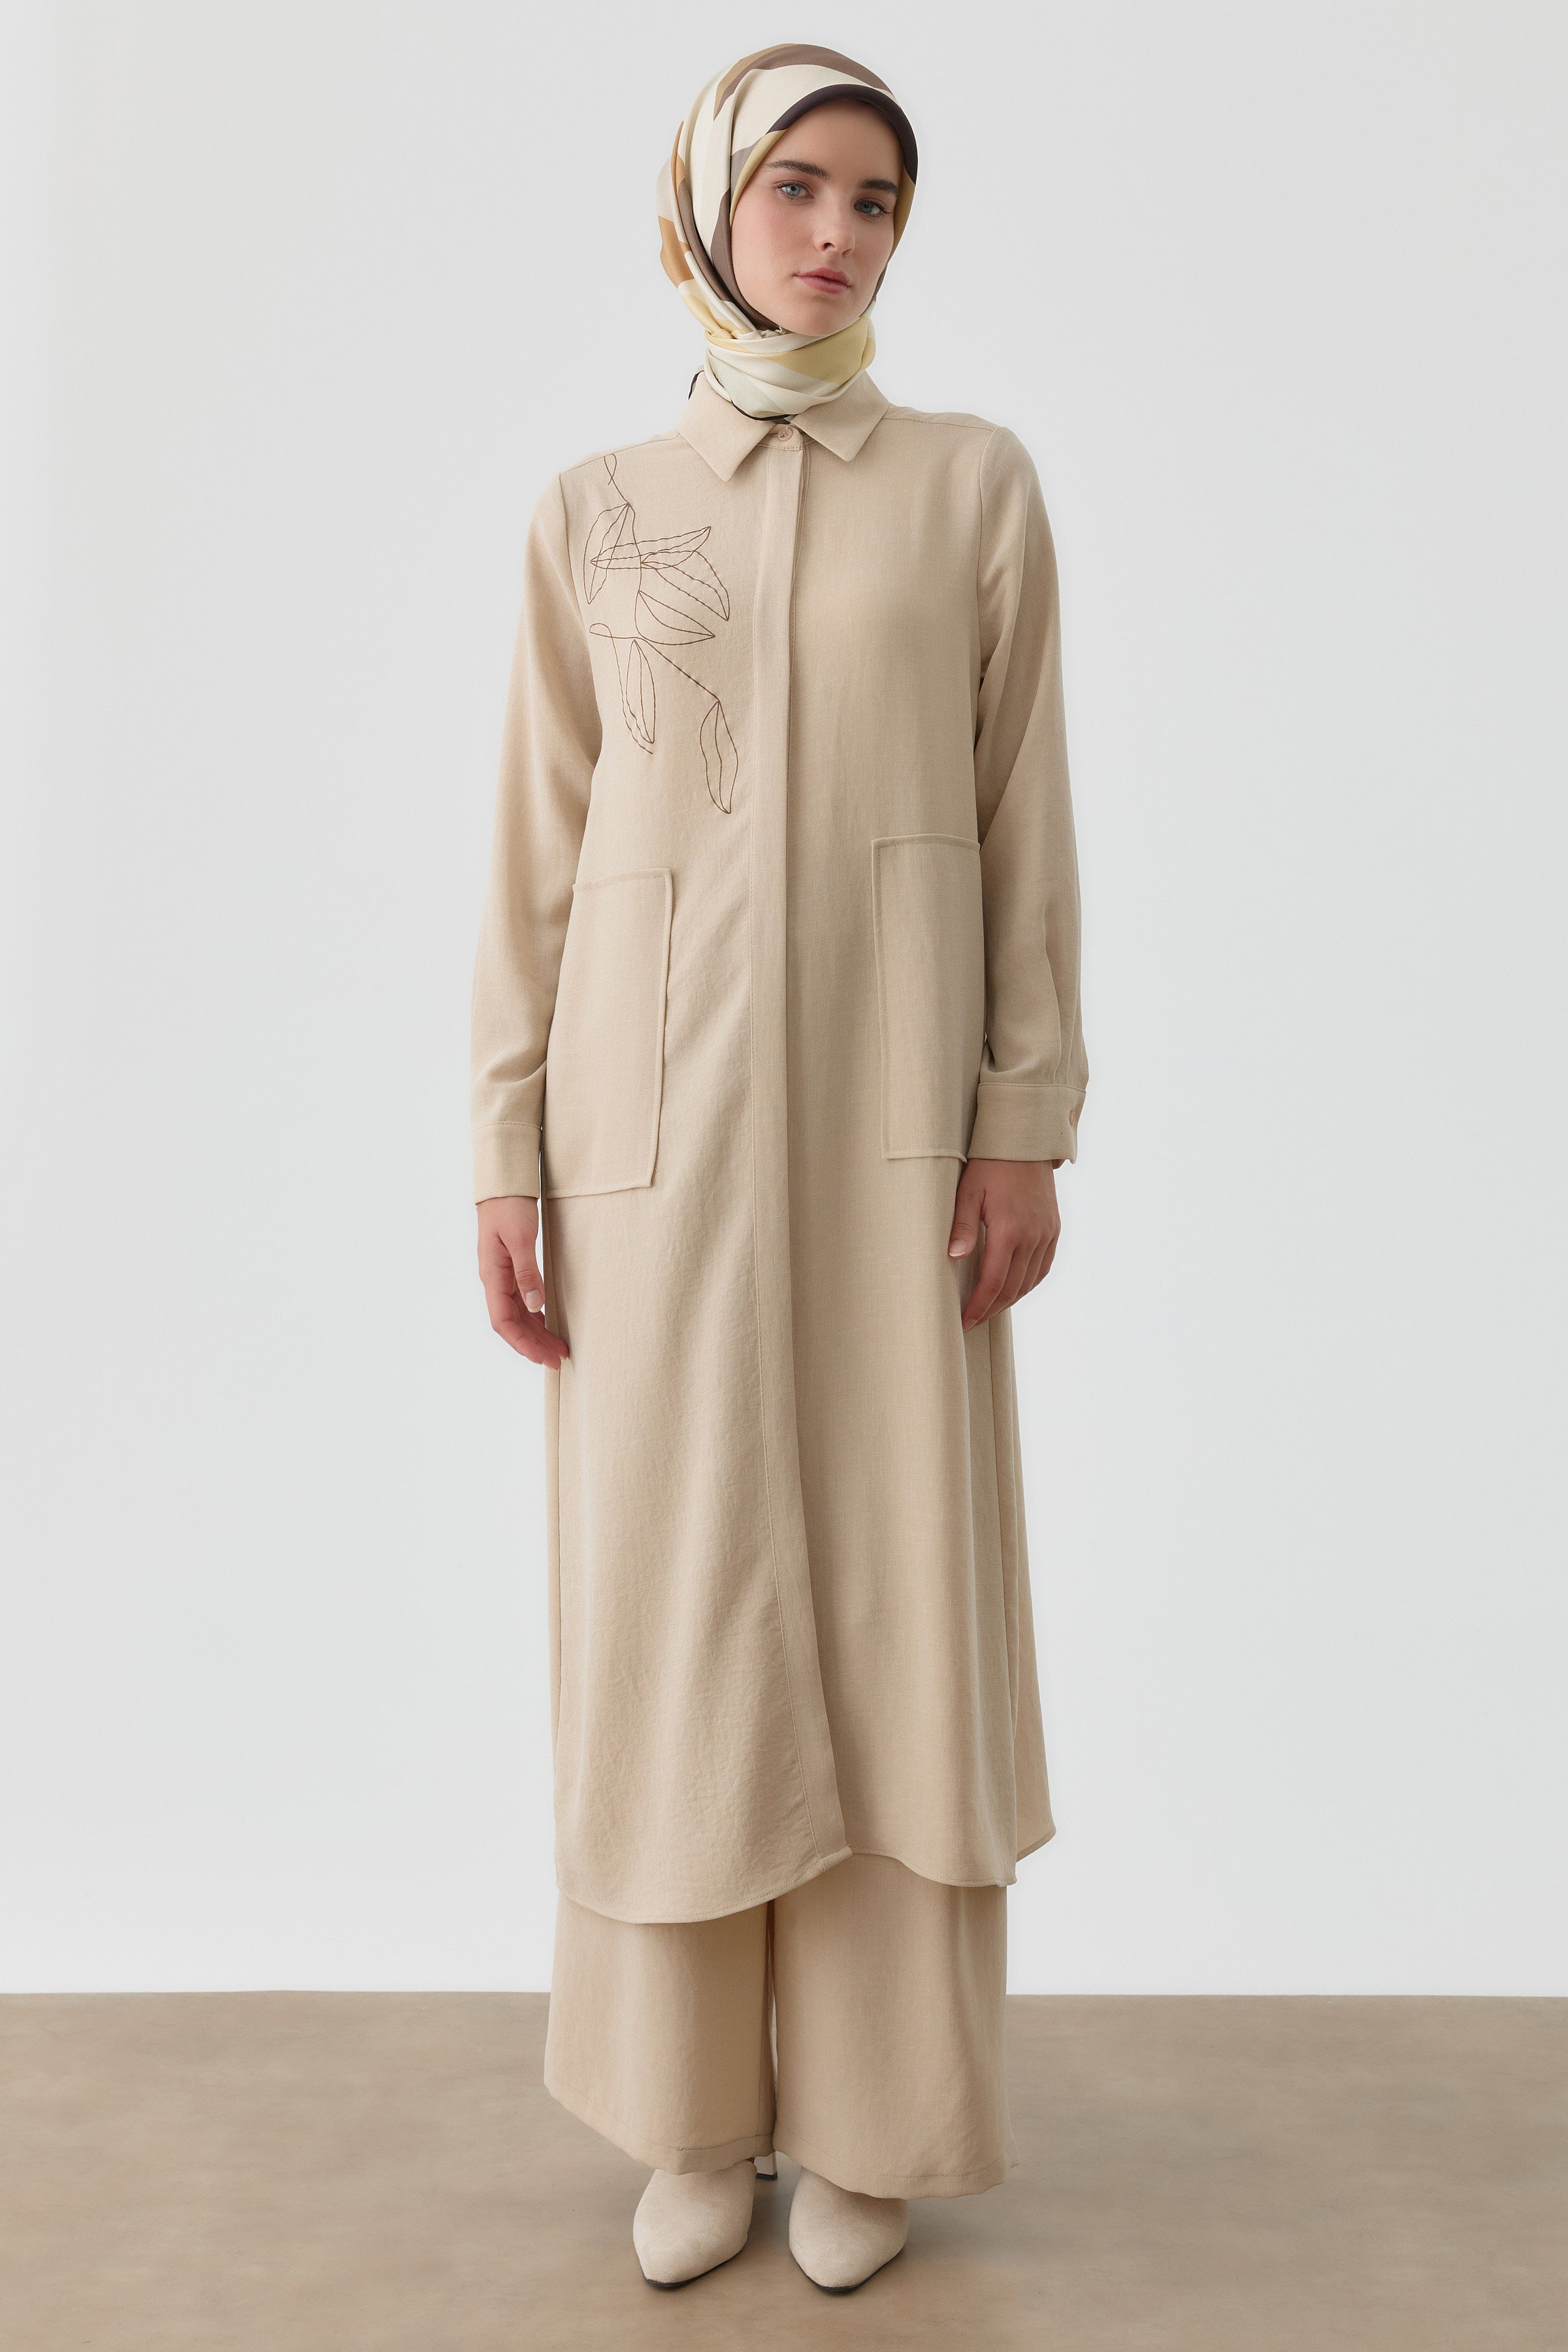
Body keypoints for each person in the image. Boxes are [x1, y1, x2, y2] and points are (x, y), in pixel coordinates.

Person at [470, 44, 1087, 2295]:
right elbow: (539, 852)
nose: (836, 234)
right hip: (646, 1149)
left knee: (891, 1598)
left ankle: (872, 2122)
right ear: (712, 204)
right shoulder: (594, 509)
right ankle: (688, 2112)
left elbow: (1024, 819)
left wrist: (1024, 1113)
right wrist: (506, 1143)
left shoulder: (972, 488)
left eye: (878, 201)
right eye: (799, 188)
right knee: (675, 1603)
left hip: (896, 1142)